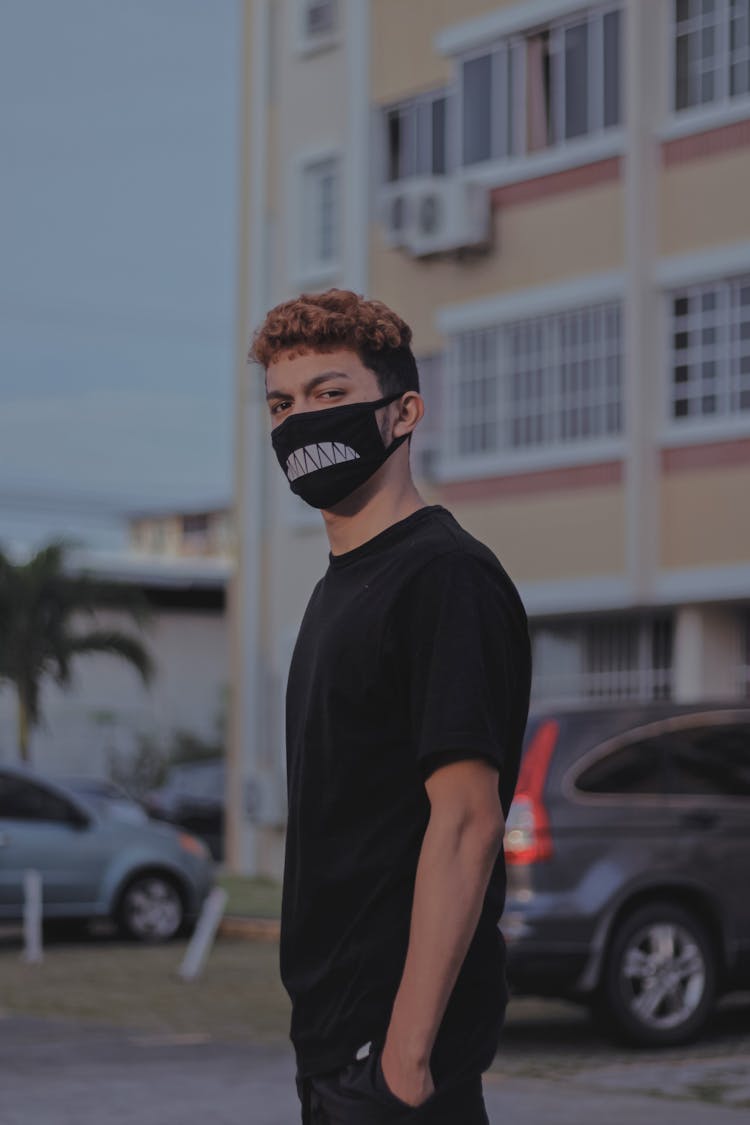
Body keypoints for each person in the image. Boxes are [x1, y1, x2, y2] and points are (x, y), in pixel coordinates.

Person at [251, 289, 531, 1124]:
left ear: (403, 411)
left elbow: (467, 822)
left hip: (394, 1070)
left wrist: (403, 1065)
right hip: (337, 1053)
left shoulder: (443, 577)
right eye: (281, 404)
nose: (300, 421)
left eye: (330, 395)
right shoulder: (339, 587)